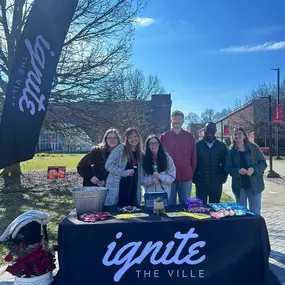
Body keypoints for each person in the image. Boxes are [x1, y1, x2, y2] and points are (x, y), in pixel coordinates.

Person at [225, 127, 267, 215]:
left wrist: (254, 169)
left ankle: (255, 229)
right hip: (239, 188)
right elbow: (228, 168)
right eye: (235, 134)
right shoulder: (231, 152)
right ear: (233, 137)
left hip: (254, 186)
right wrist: (237, 171)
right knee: (241, 213)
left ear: (245, 135)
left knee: (255, 212)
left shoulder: (253, 148)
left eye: (240, 133)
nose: (237, 136)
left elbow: (263, 163)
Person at [160, 110, 196, 205]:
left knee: (185, 205)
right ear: (170, 120)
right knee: (169, 205)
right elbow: (159, 156)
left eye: (179, 119)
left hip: (186, 175)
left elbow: (194, 157)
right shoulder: (164, 137)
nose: (176, 121)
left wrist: (191, 172)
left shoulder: (189, 137)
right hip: (169, 177)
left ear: (183, 120)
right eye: (174, 119)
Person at [105, 128, 143, 206]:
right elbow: (108, 165)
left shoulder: (141, 153)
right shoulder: (120, 149)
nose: (133, 139)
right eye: (130, 137)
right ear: (127, 139)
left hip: (134, 189)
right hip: (119, 188)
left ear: (139, 137)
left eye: (135, 136)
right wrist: (123, 172)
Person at [193, 122, 228, 204]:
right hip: (201, 182)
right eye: (208, 129)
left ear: (215, 130)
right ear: (204, 130)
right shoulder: (197, 145)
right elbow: (193, 163)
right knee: (201, 210)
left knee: (215, 209)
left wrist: (223, 177)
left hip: (216, 183)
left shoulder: (222, 146)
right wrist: (194, 178)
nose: (210, 132)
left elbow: (225, 163)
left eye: (212, 129)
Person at [141, 135, 176, 199]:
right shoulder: (144, 160)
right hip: (149, 195)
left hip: (164, 193)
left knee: (162, 209)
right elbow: (141, 179)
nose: (154, 145)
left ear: (159, 144)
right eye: (151, 143)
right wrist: (152, 179)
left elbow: (172, 176)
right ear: (148, 146)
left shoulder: (167, 159)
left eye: (156, 143)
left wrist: (160, 177)